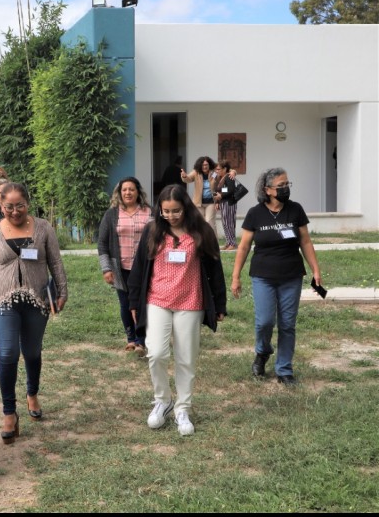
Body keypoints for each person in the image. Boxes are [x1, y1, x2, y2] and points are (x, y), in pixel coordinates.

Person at [128, 185, 227, 436]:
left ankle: (183, 408)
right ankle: (163, 401)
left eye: (176, 211)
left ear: (186, 208)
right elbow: (139, 267)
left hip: (190, 302)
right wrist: (134, 302)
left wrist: (220, 303)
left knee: (186, 358)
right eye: (166, 211)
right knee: (156, 354)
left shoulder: (201, 231)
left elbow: (215, 268)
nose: (171, 216)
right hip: (157, 300)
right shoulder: (153, 231)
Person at [0, 182, 68, 444]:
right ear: (0, 204)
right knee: (7, 352)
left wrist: (62, 292)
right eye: (9, 207)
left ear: (28, 204)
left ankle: (32, 393)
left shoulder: (43, 228)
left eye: (20, 206)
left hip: (36, 299)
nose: (15, 211)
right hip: (3, 301)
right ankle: (9, 412)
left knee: (32, 352)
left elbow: (55, 262)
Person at [230, 168, 322, 386]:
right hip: (263, 276)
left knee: (287, 324)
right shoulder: (255, 213)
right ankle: (262, 352)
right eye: (281, 186)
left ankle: (284, 369)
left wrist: (316, 270)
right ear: (267, 190)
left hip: (291, 276)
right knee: (265, 322)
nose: (285, 189)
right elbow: (244, 247)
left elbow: (305, 241)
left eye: (287, 184)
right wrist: (236, 276)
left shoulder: (295, 210)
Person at [97, 177, 153, 355]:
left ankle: (141, 340)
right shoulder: (111, 214)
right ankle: (131, 339)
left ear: (138, 192)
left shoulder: (149, 212)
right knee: (125, 304)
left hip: (145, 268)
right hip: (120, 268)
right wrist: (106, 268)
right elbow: (102, 243)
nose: (128, 192)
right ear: (119, 193)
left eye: (131, 189)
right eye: (124, 190)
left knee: (143, 304)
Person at [181, 155, 219, 237]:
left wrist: (233, 172)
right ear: (199, 165)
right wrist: (184, 176)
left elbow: (225, 170)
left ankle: (213, 241)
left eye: (206, 165)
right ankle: (202, 241)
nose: (204, 167)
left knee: (209, 222)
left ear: (209, 165)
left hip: (211, 202)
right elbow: (188, 179)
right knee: (199, 223)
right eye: (203, 165)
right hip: (198, 203)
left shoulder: (213, 173)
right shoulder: (196, 173)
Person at [213, 160, 238, 250]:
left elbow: (231, 189)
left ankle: (232, 243)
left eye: (219, 169)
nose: (217, 171)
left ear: (224, 169)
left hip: (229, 202)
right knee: (225, 223)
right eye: (216, 169)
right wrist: (217, 202)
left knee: (229, 223)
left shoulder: (228, 176)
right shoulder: (220, 178)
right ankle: (228, 242)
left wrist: (221, 195)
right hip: (223, 202)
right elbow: (219, 190)